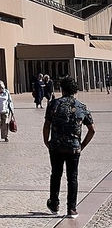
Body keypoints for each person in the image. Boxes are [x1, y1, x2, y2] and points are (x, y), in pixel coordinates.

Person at [43, 75, 95, 218]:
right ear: (75, 90)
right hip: (73, 148)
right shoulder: (81, 107)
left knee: (56, 175)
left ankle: (54, 204)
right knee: (72, 177)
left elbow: (47, 125)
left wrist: (46, 141)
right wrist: (81, 145)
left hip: (56, 147)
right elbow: (92, 130)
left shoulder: (53, 104)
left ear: (62, 89)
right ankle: (71, 209)